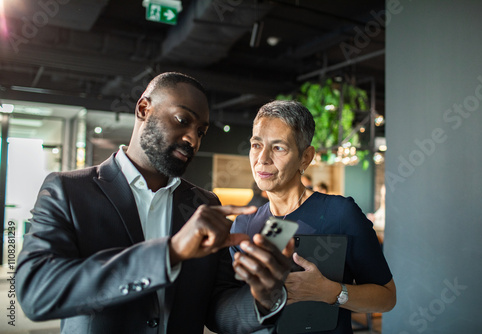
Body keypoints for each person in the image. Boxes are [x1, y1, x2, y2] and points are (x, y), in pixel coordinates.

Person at [16, 73, 293, 334]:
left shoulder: (204, 204)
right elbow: (36, 292)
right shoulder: (69, 190)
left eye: (201, 132)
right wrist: (169, 254)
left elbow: (217, 308)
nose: (192, 140)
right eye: (183, 120)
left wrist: (261, 297)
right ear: (143, 109)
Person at [231, 100, 396, 333]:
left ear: (305, 158)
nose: (263, 158)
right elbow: (231, 308)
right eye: (257, 145)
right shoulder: (243, 225)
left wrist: (330, 292)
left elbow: (387, 298)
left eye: (278, 148)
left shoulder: (340, 214)